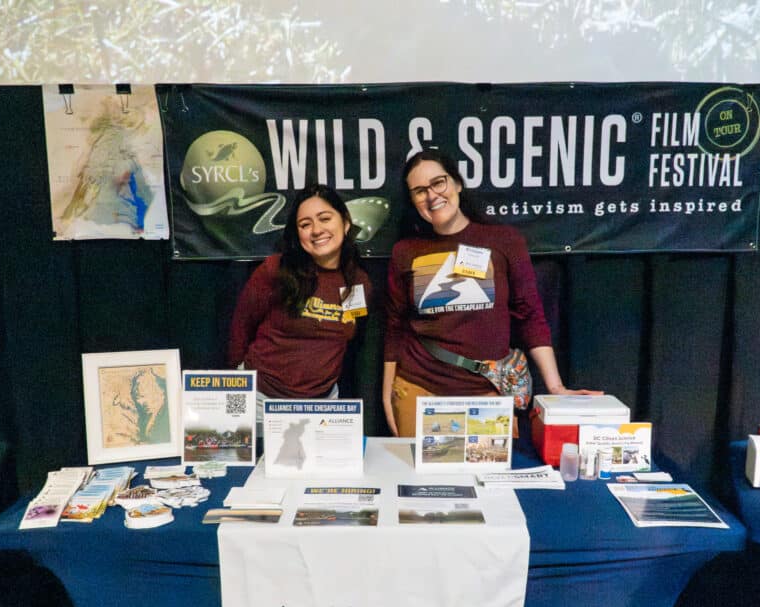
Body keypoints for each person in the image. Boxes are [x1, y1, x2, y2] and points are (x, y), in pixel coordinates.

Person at [382, 149, 600, 437]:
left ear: (457, 183)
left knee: (489, 481)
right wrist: (387, 394)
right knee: (422, 481)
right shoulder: (405, 251)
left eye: (439, 182)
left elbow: (529, 314)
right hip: (420, 391)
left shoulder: (503, 241)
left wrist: (556, 386)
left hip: (486, 396)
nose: (432, 195)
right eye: (420, 190)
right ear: (412, 201)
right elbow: (396, 325)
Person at [227, 184, 371, 405]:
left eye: (325, 218)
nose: (316, 230)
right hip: (260, 399)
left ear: (346, 223)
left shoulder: (357, 282)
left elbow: (347, 335)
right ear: (298, 233)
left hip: (322, 404)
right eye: (305, 224)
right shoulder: (275, 269)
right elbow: (240, 330)